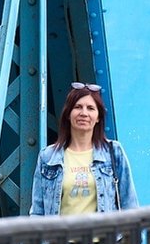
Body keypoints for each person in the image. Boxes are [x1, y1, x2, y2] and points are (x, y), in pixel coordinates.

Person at [30, 83, 140, 215]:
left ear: (98, 117)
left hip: (103, 229)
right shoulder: (48, 157)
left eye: (90, 108)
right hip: (61, 229)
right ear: (68, 114)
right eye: (77, 107)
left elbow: (130, 206)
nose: (84, 113)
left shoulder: (113, 151)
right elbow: (37, 212)